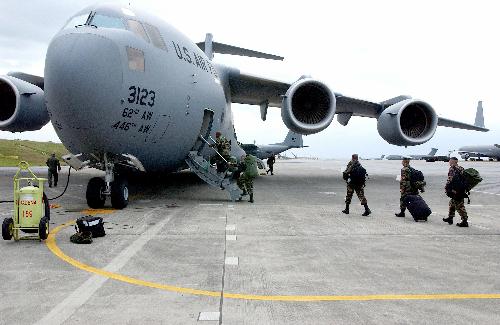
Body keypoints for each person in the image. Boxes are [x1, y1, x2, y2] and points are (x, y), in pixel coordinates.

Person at [443, 157, 469, 227]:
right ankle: (450, 218)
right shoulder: (461, 168)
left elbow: (450, 179)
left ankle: (465, 221)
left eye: (450, 161)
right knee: (452, 203)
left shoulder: (452, 168)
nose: (449, 162)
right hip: (461, 189)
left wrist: (447, 187)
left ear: (453, 161)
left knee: (460, 205)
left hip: (455, 190)